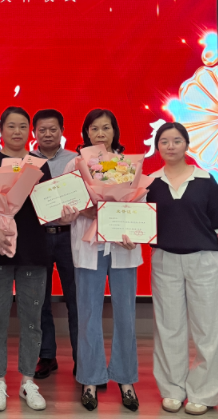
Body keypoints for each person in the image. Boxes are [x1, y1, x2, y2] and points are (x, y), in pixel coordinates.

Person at [0, 106, 78, 412]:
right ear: (1, 130)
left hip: (33, 249)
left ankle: (28, 380)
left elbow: (48, 204)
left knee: (32, 320)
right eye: (11, 126)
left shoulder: (39, 165)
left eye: (22, 127)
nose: (16, 132)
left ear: (28, 131)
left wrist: (65, 214)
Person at [64, 109, 141, 412]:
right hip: (89, 246)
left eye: (106, 128)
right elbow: (66, 203)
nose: (100, 133)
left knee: (126, 316)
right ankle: (90, 380)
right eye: (94, 128)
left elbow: (139, 202)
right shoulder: (75, 163)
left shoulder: (128, 163)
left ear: (114, 131)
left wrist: (135, 228)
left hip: (123, 246)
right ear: (86, 132)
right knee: (88, 315)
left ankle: (126, 379)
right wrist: (85, 209)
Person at [148, 122, 218, 416]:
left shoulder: (206, 180)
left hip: (203, 261)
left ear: (187, 144)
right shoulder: (150, 182)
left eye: (177, 140)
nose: (170, 146)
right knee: (168, 328)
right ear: (157, 147)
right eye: (164, 141)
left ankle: (203, 392)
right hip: (164, 260)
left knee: (208, 329)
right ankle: (172, 389)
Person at [31, 109, 79, 379]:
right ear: (34, 133)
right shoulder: (26, 162)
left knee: (76, 299)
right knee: (40, 299)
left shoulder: (75, 160)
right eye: (42, 130)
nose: (47, 134)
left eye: (53, 129)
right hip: (38, 236)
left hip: (70, 236)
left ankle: (82, 358)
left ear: (62, 131)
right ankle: (47, 355)